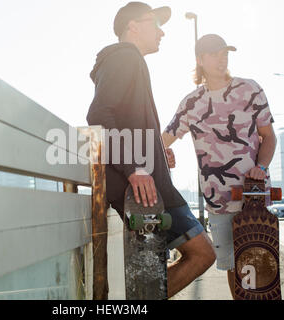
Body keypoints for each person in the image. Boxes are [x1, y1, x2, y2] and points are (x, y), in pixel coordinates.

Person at [86, 2, 216, 298]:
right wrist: (134, 168)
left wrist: (157, 151)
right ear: (133, 26)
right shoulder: (125, 58)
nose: (162, 32)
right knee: (202, 253)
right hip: (144, 189)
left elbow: (124, 120)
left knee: (161, 264)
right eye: (155, 23)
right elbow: (98, 116)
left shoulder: (127, 61)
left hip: (150, 183)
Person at [162, 34, 277, 299]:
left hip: (253, 194)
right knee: (233, 266)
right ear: (200, 60)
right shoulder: (191, 103)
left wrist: (261, 166)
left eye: (225, 52)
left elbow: (268, 136)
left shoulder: (250, 89)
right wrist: (165, 153)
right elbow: (163, 139)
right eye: (214, 54)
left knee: (258, 265)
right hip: (218, 199)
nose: (222, 58)